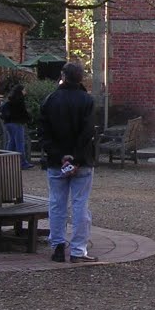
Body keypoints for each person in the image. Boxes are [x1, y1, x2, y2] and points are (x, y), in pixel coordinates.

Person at [38, 62, 97, 263]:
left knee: (56, 204)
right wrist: (77, 158)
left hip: (56, 161)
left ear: (63, 76)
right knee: (80, 205)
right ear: (80, 78)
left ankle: (57, 247)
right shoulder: (87, 100)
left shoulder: (50, 100)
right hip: (82, 162)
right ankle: (78, 250)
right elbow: (88, 132)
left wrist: (60, 156)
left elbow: (44, 134)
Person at [0, 83, 34, 169]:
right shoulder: (20, 101)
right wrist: (29, 118)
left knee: (11, 141)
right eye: (24, 90)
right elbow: (23, 113)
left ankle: (6, 160)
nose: (25, 92)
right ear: (21, 91)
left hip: (8, 123)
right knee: (20, 143)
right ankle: (22, 162)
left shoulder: (10, 100)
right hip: (17, 123)